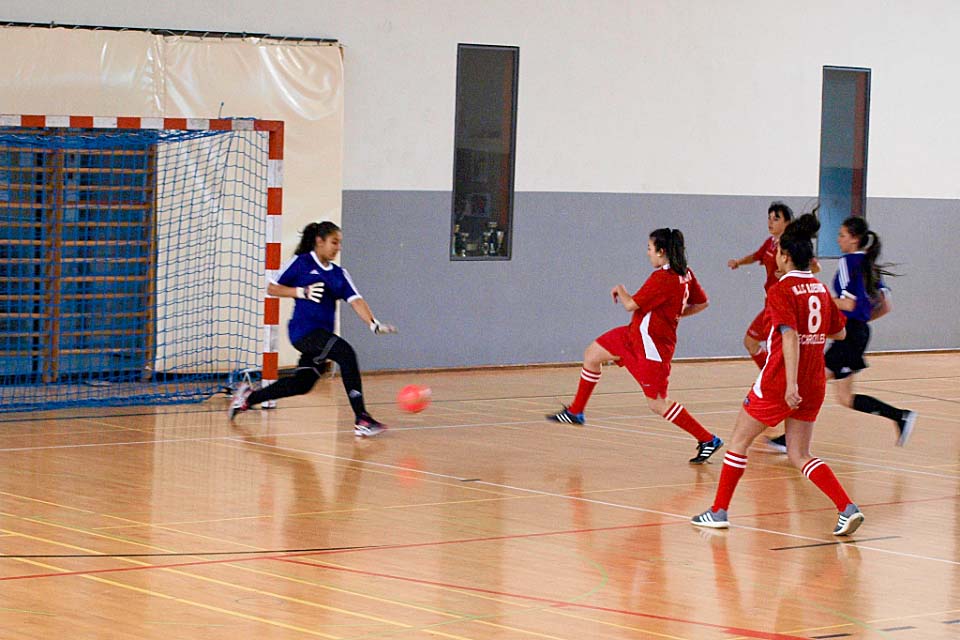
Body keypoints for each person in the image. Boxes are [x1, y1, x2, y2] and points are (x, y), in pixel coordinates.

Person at [691, 214, 863, 536]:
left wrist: (790, 385)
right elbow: (839, 334)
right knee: (799, 454)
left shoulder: (781, 290)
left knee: (739, 440)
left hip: (782, 381)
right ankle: (846, 508)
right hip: (814, 383)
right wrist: (816, 333)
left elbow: (789, 337)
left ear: (785, 257)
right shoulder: (820, 289)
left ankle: (719, 511)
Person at [546, 228, 723, 464]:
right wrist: (674, 314)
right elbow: (702, 303)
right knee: (592, 354)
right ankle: (576, 411)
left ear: (661, 252)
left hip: (652, 349)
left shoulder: (663, 278)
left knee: (657, 403)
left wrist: (620, 289)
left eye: (650, 249)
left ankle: (708, 439)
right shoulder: (685, 274)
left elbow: (630, 305)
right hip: (632, 336)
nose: (647, 253)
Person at [229, 221, 397, 437]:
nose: (338, 247)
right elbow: (272, 288)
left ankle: (247, 398)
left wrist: (373, 324)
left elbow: (356, 300)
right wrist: (301, 292)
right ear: (320, 241)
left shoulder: (339, 274)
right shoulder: (301, 263)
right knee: (346, 354)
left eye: (340, 243)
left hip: (322, 337)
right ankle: (362, 418)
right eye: (334, 242)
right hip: (303, 332)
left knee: (302, 384)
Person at [824, 216, 917, 445]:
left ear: (854, 240)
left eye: (842, 235)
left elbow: (848, 304)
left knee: (811, 384)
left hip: (850, 334)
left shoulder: (848, 262)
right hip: (857, 332)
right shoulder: (869, 264)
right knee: (845, 398)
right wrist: (862, 322)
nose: (838, 240)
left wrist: (818, 297)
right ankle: (900, 416)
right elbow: (886, 306)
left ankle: (789, 440)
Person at [727, 201, 795, 370]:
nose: (770, 222)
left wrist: (789, 273)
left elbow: (814, 266)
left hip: (782, 305)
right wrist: (739, 262)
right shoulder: (771, 242)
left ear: (787, 222)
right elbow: (757, 256)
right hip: (769, 304)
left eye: (776, 218)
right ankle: (771, 375)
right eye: (769, 218)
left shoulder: (792, 245)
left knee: (774, 346)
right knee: (751, 342)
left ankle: (774, 378)